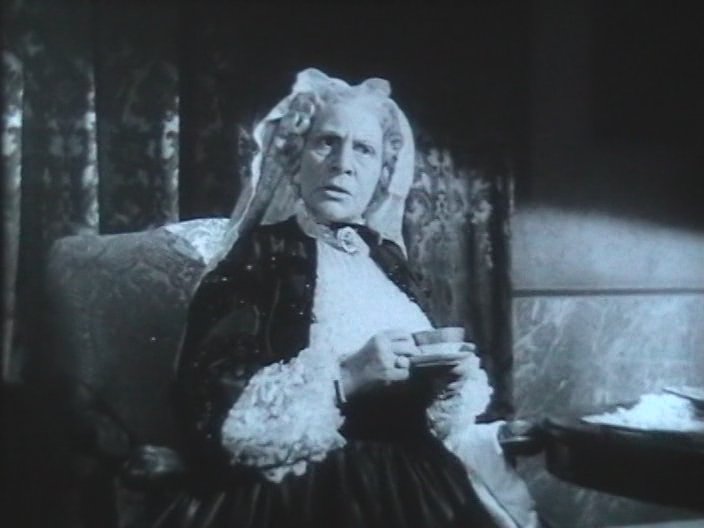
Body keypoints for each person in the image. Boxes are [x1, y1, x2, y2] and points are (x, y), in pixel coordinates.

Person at [155, 68, 539, 528]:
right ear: (296, 158)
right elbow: (210, 414)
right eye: (327, 142)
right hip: (305, 490)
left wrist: (448, 387)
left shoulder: (391, 263)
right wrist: (347, 377)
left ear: (380, 174)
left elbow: (429, 424)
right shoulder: (259, 256)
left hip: (420, 481)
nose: (343, 164)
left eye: (364, 149)